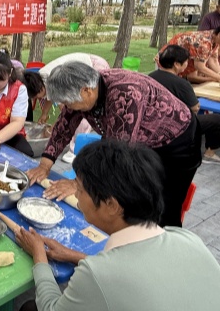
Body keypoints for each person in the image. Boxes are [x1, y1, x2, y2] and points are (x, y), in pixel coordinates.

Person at [16, 140, 220, 311]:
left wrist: (39, 256)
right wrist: (74, 256)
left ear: (112, 205)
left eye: (80, 189)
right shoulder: (188, 239)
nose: (76, 195)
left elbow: (50, 308)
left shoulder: (97, 274)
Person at [26, 62, 201, 227]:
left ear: (86, 91)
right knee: (134, 197)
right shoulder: (82, 91)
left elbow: (116, 153)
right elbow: (63, 127)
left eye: (68, 103)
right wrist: (44, 165)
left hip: (178, 144)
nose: (68, 107)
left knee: (163, 205)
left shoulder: (126, 94)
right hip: (142, 142)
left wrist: (77, 184)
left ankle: (164, 243)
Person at [21, 53, 109, 163]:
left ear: (40, 89)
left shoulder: (55, 84)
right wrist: (44, 114)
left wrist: (54, 127)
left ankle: (75, 150)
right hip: (86, 66)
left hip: (94, 66)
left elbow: (65, 114)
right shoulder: (40, 79)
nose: (38, 99)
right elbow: (49, 96)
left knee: (82, 112)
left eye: (36, 97)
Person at [149, 45, 220, 163]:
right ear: (177, 64)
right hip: (177, 126)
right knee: (217, 119)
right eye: (186, 61)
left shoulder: (149, 77)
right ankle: (210, 153)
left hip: (153, 122)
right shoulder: (181, 84)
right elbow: (195, 108)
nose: (187, 64)